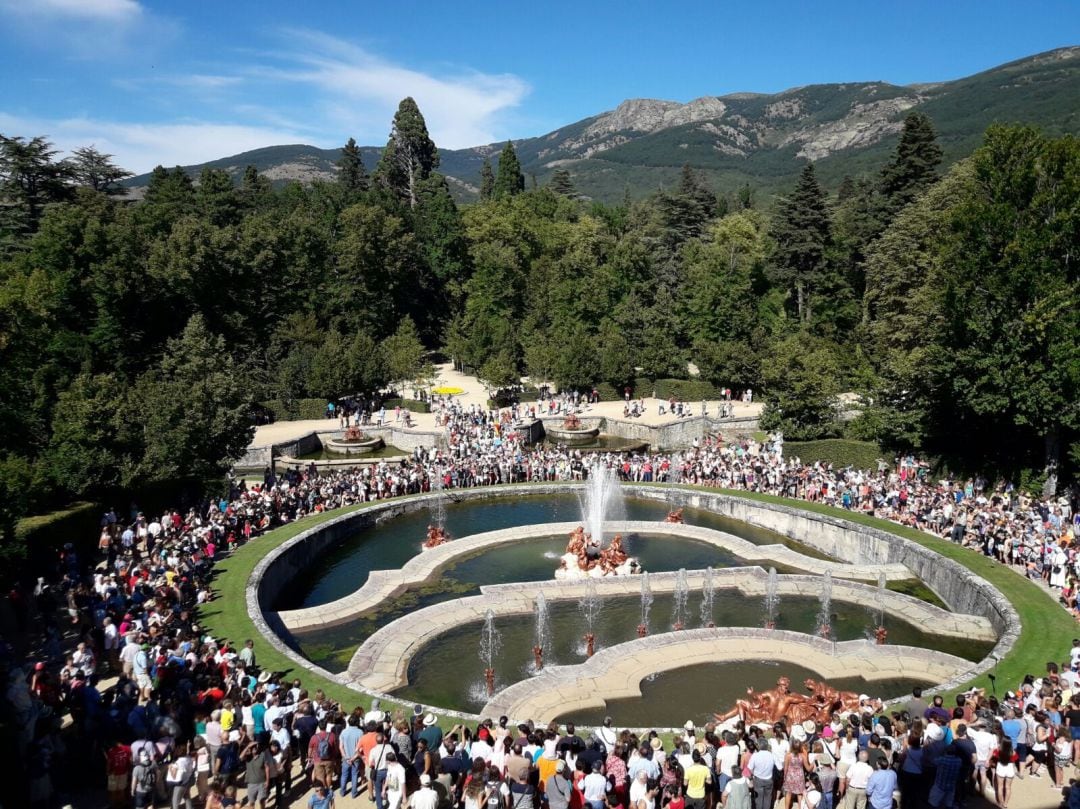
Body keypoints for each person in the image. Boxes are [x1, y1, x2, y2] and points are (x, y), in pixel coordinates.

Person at [339, 715, 364, 799]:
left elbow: (341, 747)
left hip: (346, 758)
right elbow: (360, 748)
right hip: (356, 758)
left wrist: (346, 757)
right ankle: (354, 793)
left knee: (344, 775)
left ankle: (342, 792)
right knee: (354, 775)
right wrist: (353, 758)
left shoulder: (343, 732)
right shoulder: (360, 732)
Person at [747, 740, 776, 809]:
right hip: (769, 779)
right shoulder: (772, 755)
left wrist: (753, 774)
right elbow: (780, 767)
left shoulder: (755, 755)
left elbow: (750, 768)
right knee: (768, 798)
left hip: (758, 780)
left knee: (759, 799)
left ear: (759, 746)